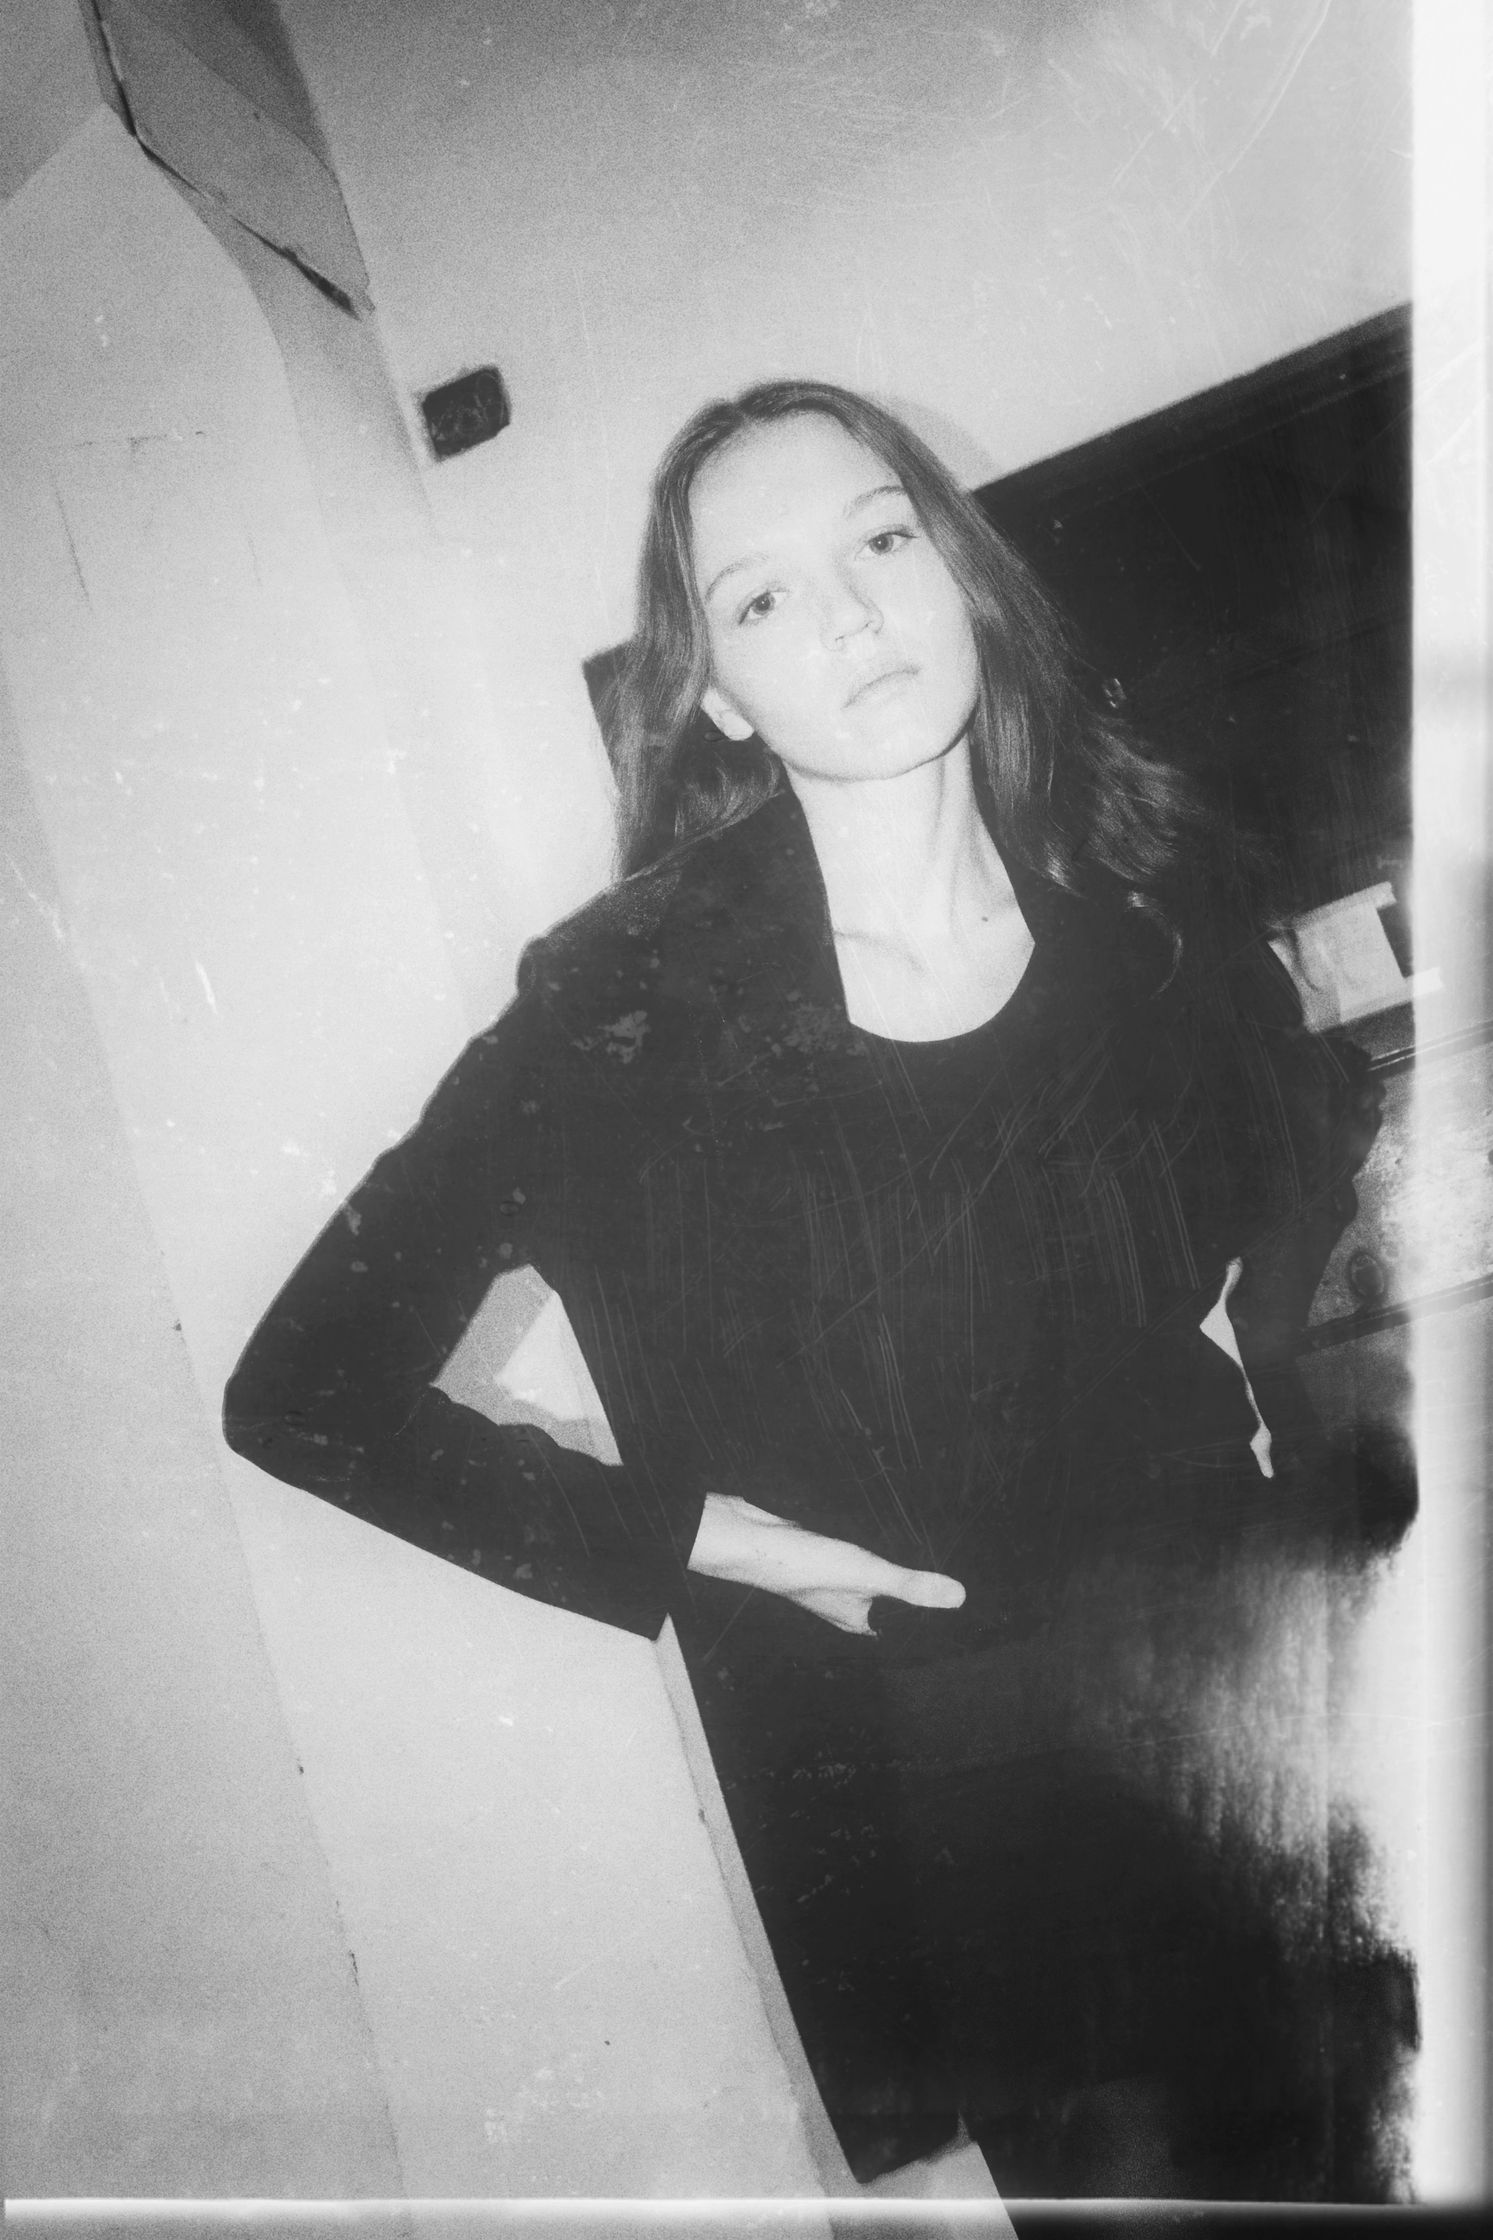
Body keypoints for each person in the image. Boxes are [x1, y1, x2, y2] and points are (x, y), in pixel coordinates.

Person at [223, 381, 1390, 2199]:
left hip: (1281, 1697)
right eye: (762, 597)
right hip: (981, 1806)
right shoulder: (628, 999)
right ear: (714, 691)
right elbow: (303, 1389)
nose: (845, 614)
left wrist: (1261, 1361)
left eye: (880, 539)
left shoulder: (1144, 907)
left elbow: (1302, 1131)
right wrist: (714, 1542)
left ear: (959, 572)